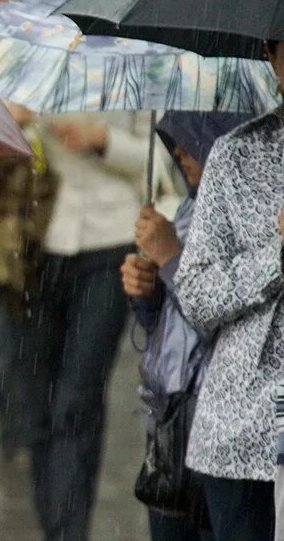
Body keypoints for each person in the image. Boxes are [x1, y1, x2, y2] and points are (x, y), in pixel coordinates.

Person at [23, 110, 165, 541]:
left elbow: (160, 164)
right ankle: (53, 525)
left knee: (77, 398)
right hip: (37, 240)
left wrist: (103, 139)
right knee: (35, 400)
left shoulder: (138, 63)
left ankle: (69, 531)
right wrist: (23, 124)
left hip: (111, 244)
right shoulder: (38, 53)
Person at [122, 111, 252, 541]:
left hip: (221, 430)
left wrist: (171, 258)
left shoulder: (249, 223)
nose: (178, 151)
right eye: (172, 140)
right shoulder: (184, 212)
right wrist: (146, 295)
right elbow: (168, 328)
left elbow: (224, 319)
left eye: (188, 137)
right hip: (170, 428)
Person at [174, 41, 284, 541]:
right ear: (271, 55)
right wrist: (276, 254)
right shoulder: (237, 155)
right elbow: (196, 294)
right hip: (242, 431)